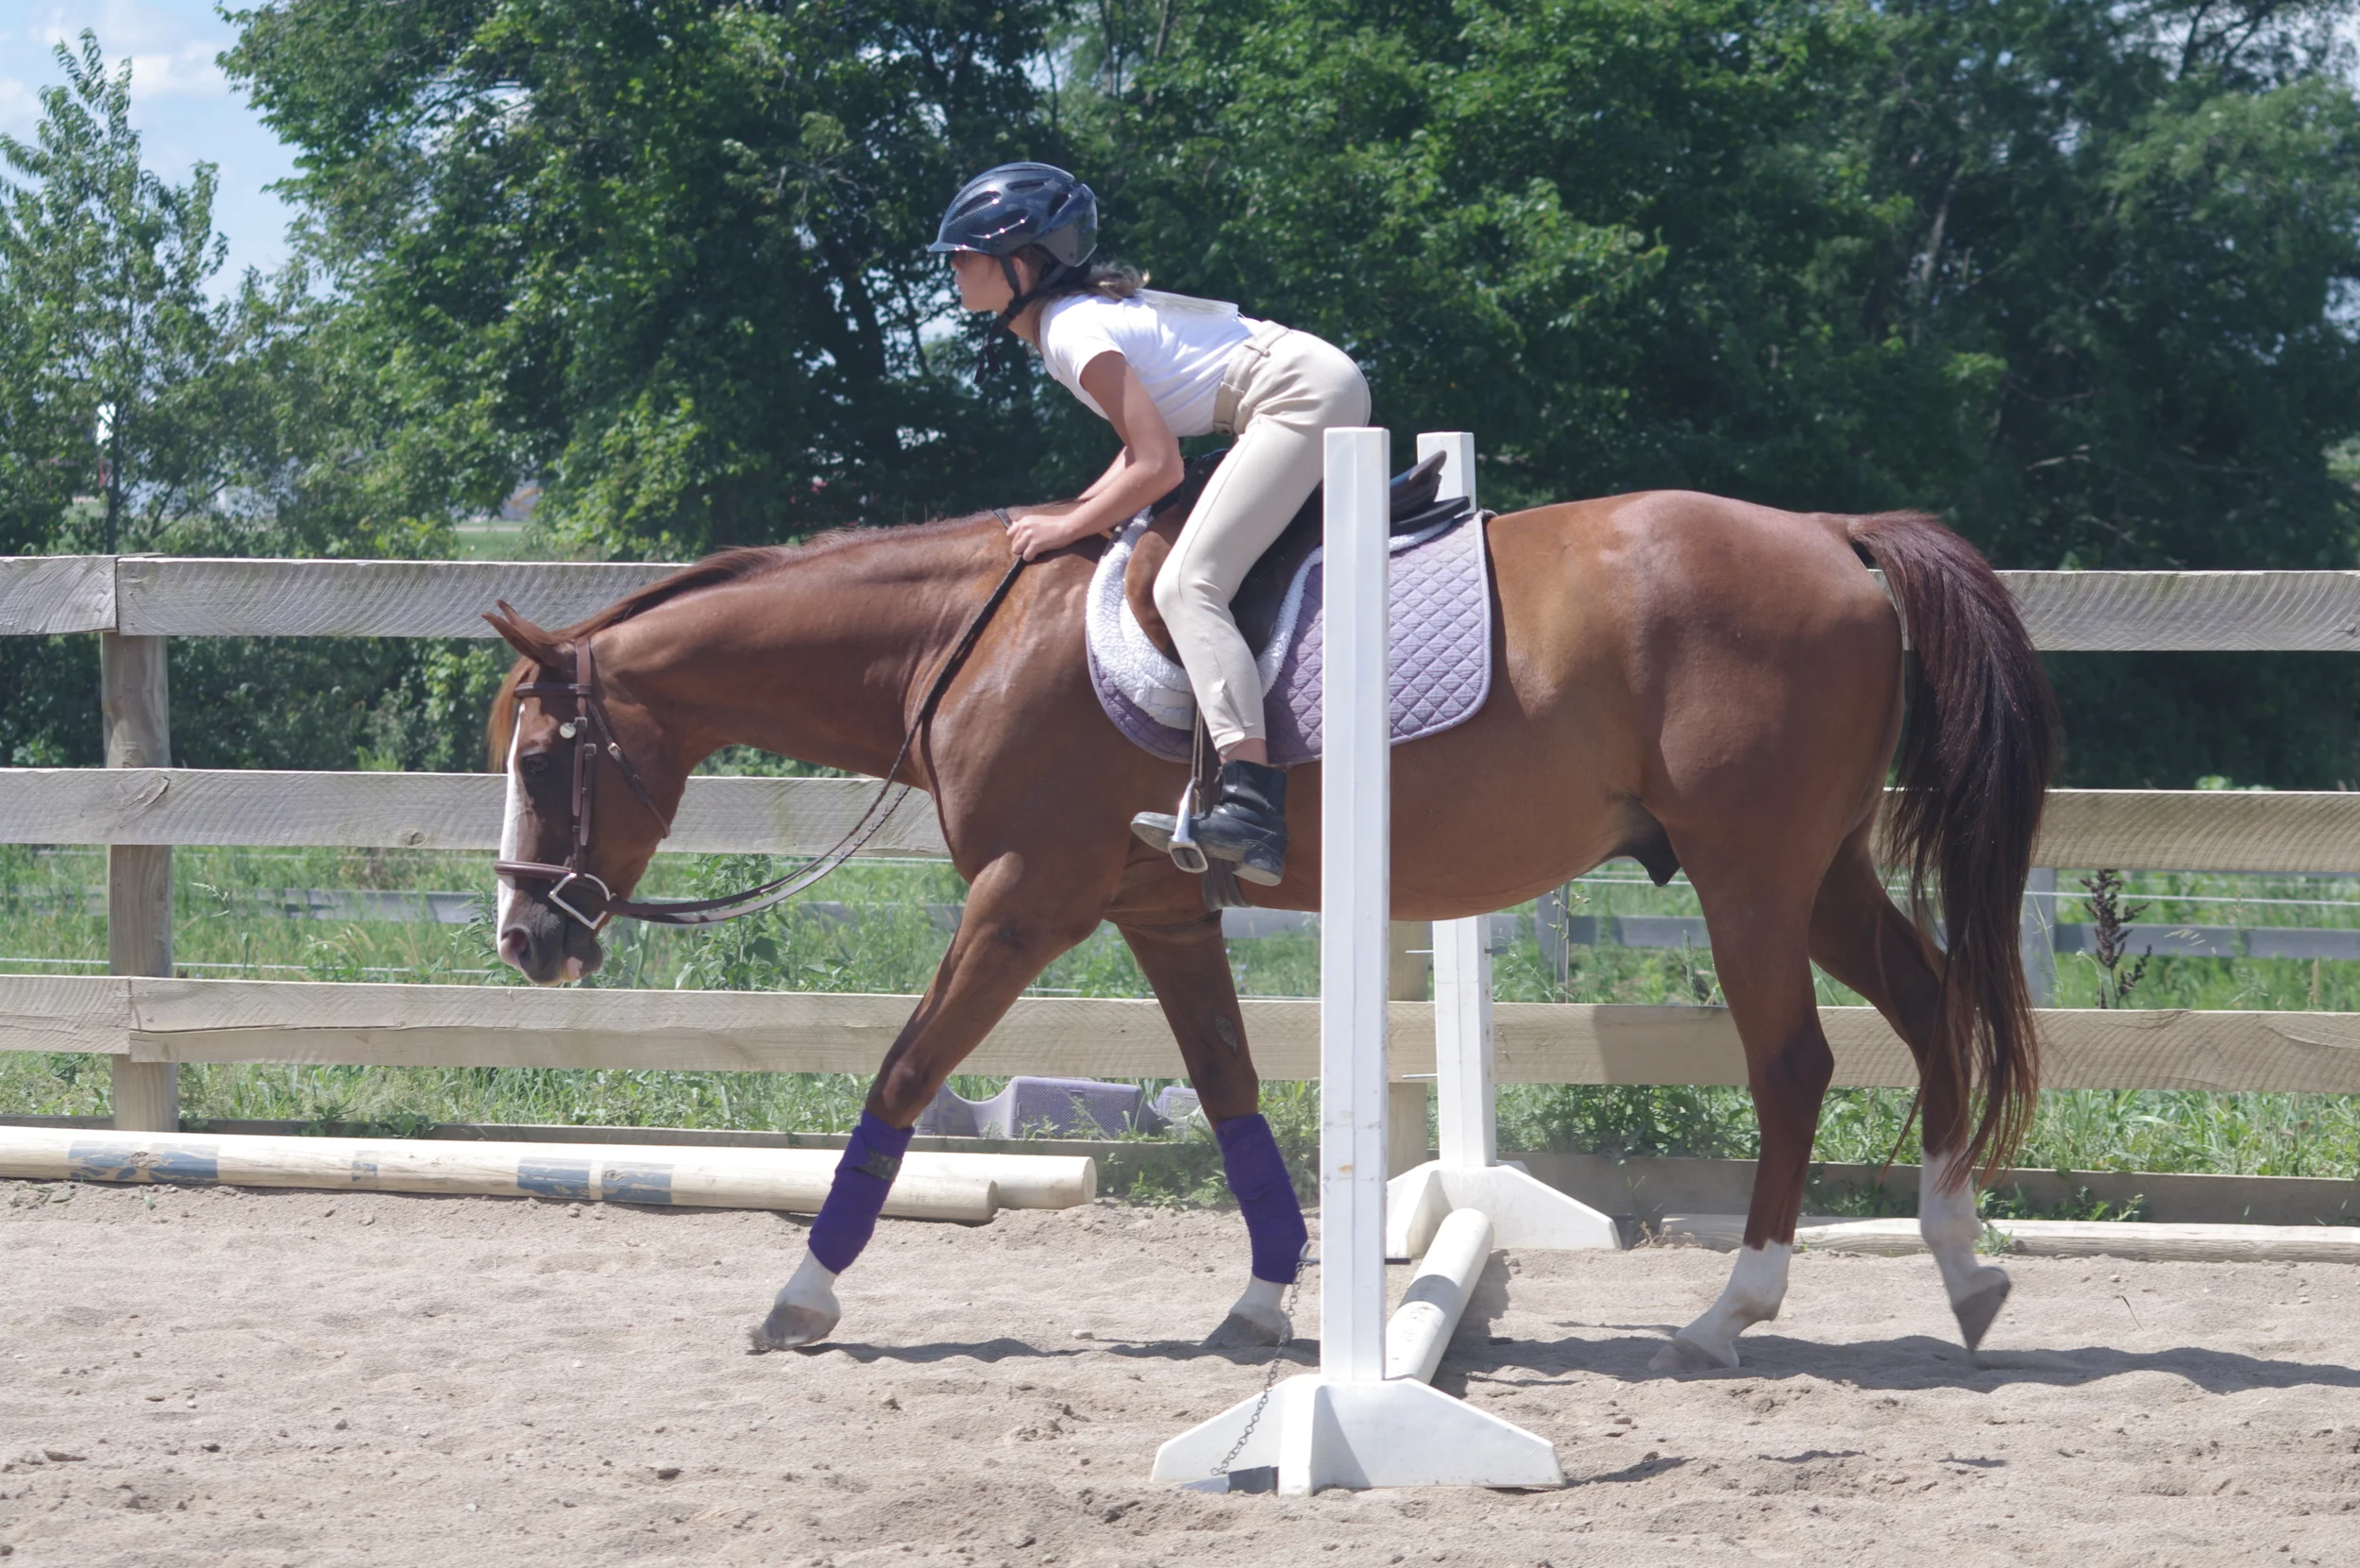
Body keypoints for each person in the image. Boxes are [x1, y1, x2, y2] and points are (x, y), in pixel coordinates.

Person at [929, 161, 1372, 885]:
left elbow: (1158, 466)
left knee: (1187, 584)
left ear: (1017, 265)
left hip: (1296, 396)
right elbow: (1136, 449)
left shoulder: (1071, 330)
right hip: (1298, 385)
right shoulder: (1070, 324)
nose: (952, 265)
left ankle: (1253, 801)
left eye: (964, 253)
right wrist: (1074, 512)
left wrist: (1068, 529)